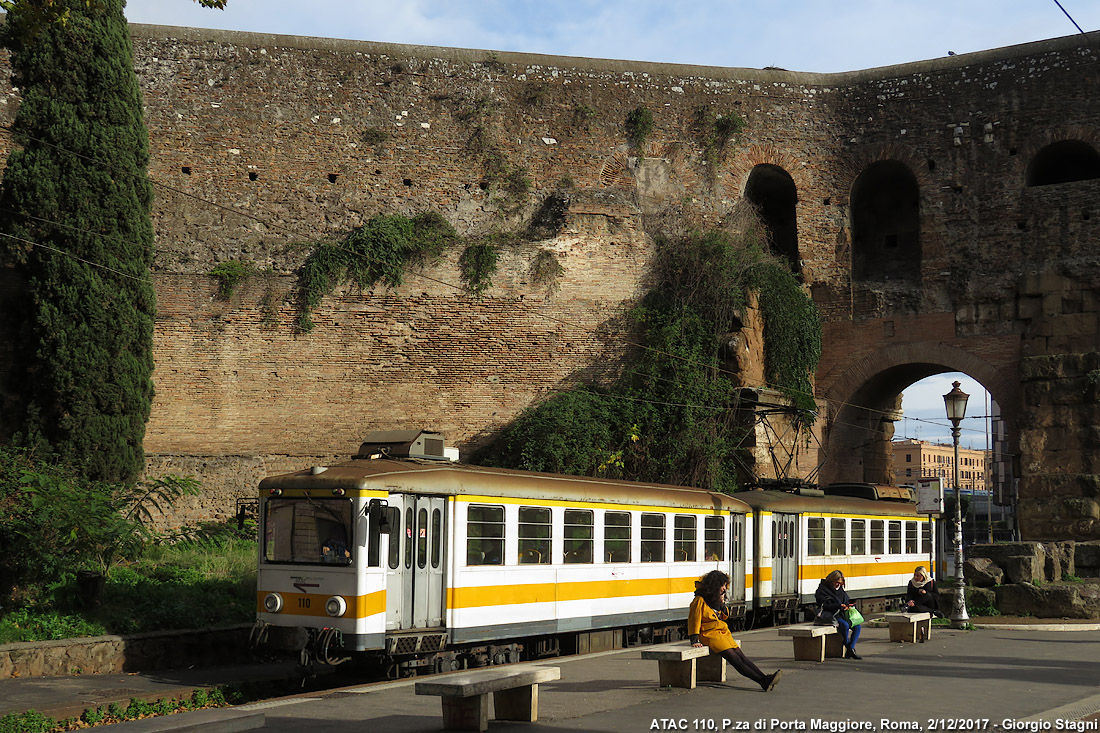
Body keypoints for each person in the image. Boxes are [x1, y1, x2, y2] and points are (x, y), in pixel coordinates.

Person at [689, 570, 782, 692]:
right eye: (722, 585)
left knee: (742, 657)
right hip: (710, 635)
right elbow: (693, 620)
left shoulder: (715, 599)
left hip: (722, 634)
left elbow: (724, 616)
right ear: (715, 585)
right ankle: (762, 681)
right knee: (735, 659)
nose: (724, 589)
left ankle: (764, 678)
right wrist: (694, 639)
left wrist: (721, 603)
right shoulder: (699, 600)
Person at [815, 569, 862, 660]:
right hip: (830, 615)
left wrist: (847, 606)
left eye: (840, 583)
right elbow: (824, 605)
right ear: (831, 580)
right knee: (844, 625)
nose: (838, 585)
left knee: (857, 626)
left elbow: (846, 600)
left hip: (841, 614)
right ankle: (849, 647)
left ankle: (850, 648)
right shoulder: (822, 590)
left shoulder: (840, 590)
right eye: (837, 583)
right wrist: (838, 606)